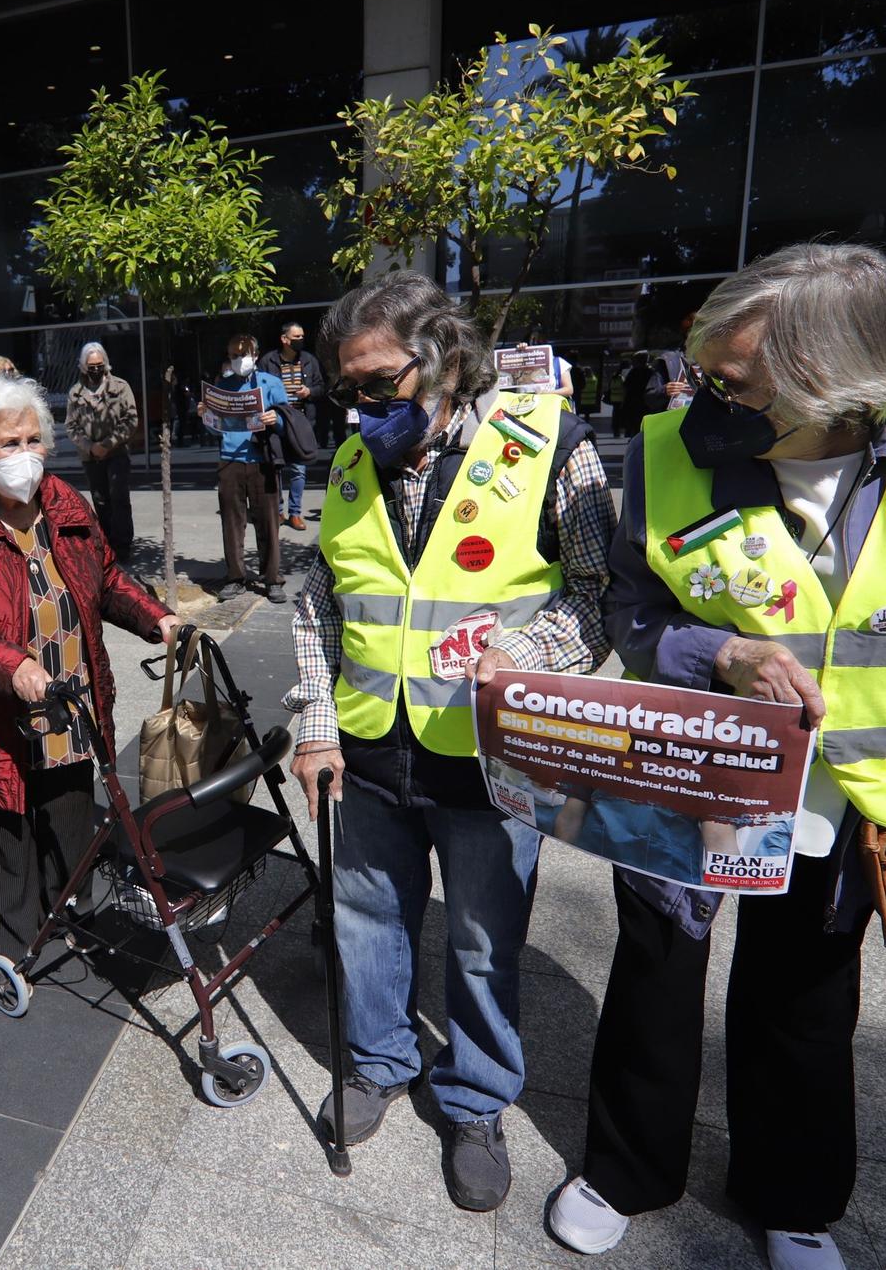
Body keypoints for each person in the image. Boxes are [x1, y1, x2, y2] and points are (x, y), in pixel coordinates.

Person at [552, 243, 886, 1269]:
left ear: (829, 381)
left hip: (851, 790)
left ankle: (790, 1197)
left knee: (803, 997)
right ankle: (623, 1168)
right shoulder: (667, 445)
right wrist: (720, 650)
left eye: (735, 382)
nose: (706, 398)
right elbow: (632, 609)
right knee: (656, 970)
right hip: (698, 765)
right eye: (704, 370)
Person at [285, 273, 615, 1214]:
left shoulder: (550, 441)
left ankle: (474, 1099)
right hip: (368, 747)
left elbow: (597, 593)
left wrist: (524, 652)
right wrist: (315, 726)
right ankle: (380, 1060)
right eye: (347, 387)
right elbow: (318, 597)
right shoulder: (355, 459)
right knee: (365, 917)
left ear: (445, 357)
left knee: (481, 940)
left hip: (485, 754)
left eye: (379, 382)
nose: (361, 405)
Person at [0, 376, 178, 963]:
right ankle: (10, 949)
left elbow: (105, 579)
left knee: (68, 822)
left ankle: (67, 915)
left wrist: (156, 617)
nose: (25, 456)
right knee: (1, 835)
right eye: (9, 443)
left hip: (70, 704)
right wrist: (8, 665)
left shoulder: (65, 502)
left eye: (34, 440)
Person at [200, 334, 289, 603]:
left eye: (243, 354)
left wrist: (276, 419)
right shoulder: (222, 386)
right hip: (230, 461)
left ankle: (272, 578)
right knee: (232, 523)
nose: (239, 360)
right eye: (233, 355)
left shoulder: (271, 383)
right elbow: (213, 429)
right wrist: (205, 415)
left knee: (268, 522)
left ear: (256, 354)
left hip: (262, 460)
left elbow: (288, 423)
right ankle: (236, 577)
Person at [64, 342, 138, 561]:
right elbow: (71, 426)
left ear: (105, 363)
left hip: (116, 453)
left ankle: (123, 546)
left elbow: (131, 419)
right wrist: (90, 446)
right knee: (101, 500)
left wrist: (108, 443)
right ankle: (106, 545)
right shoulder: (76, 393)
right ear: (83, 366)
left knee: (119, 498)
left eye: (99, 364)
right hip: (91, 457)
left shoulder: (120, 387)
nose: (95, 368)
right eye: (91, 365)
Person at [270, 321, 324, 530]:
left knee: (298, 470)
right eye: (296, 337)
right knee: (275, 469)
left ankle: (295, 513)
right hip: (276, 423)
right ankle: (277, 512)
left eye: (302, 336)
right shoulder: (269, 361)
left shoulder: (309, 361)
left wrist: (309, 392)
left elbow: (321, 386)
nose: (301, 340)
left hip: (300, 423)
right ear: (285, 339)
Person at [646, 314, 703, 414]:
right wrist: (665, 390)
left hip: (707, 420)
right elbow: (650, 397)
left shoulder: (717, 360)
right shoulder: (668, 359)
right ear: (686, 334)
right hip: (678, 420)